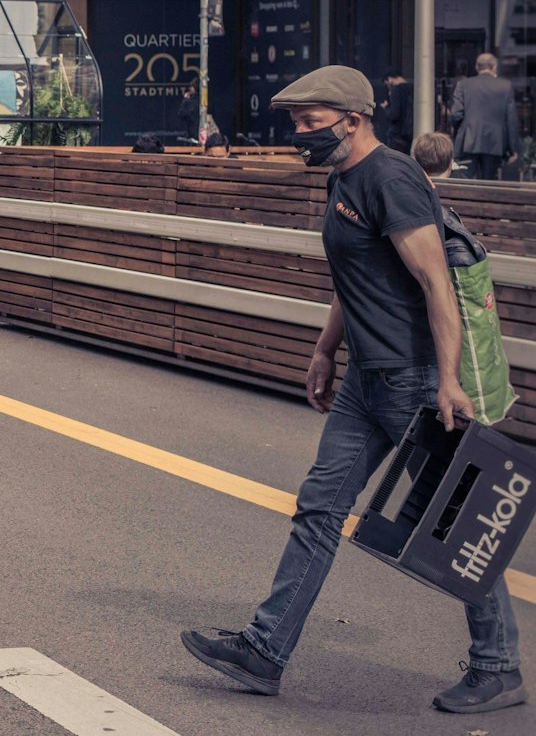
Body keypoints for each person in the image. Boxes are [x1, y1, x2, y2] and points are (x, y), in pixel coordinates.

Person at [181, 65, 524, 715]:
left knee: (452, 524)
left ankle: (498, 666)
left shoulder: (392, 179)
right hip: (365, 381)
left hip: (412, 380)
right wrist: (324, 348)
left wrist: (447, 380)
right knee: (318, 506)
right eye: (297, 124)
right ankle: (266, 650)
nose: (300, 135)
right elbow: (354, 275)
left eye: (310, 124)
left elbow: (437, 288)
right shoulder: (344, 177)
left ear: (353, 120)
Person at [451, 53, 520, 181]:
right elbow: (511, 120)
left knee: (466, 181)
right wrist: (512, 148)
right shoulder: (505, 86)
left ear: (477, 67)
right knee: (489, 183)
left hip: (468, 141)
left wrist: (459, 131)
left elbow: (455, 115)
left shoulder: (463, 85)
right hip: (495, 142)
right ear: (494, 67)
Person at [375, 72, 414, 153]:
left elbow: (394, 115)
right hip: (410, 132)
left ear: (389, 79)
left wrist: (386, 108)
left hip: (397, 135)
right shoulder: (413, 88)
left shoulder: (396, 90)